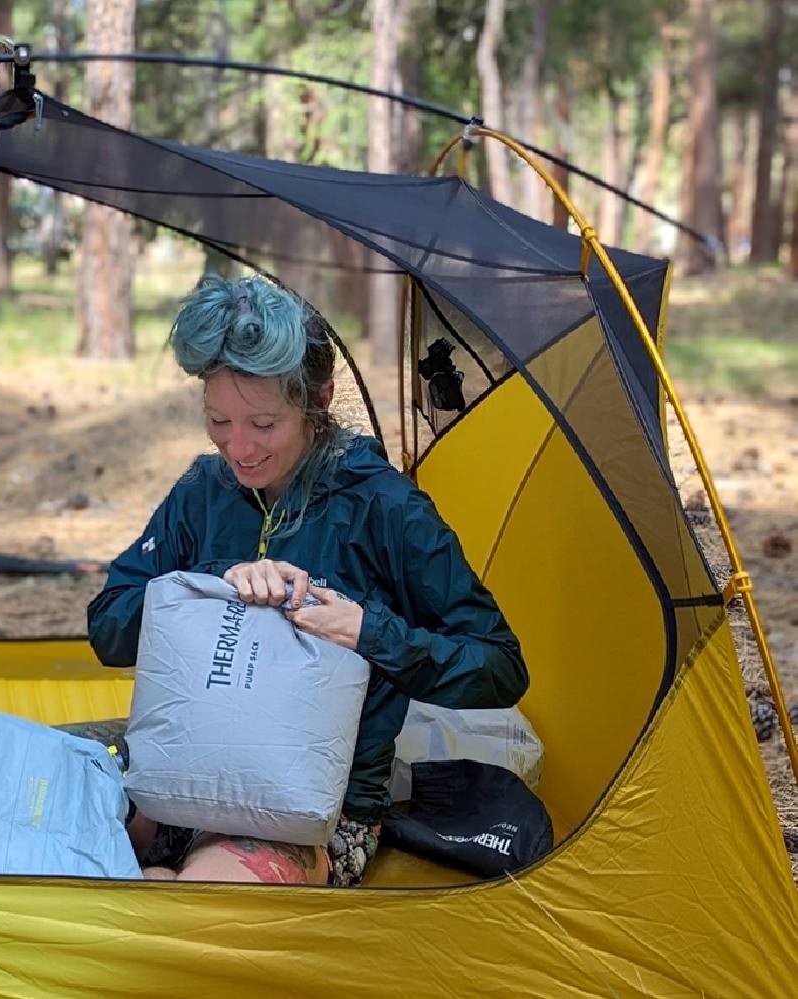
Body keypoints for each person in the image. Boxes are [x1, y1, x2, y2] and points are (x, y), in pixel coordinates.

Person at [80, 273, 529, 886]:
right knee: (42, 814)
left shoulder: (386, 510)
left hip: (313, 804)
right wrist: (216, 585)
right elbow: (108, 626)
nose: (239, 449)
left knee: (196, 897)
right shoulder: (201, 492)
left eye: (263, 425)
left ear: (319, 397)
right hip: (183, 767)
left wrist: (371, 632)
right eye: (218, 421)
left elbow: (500, 667)